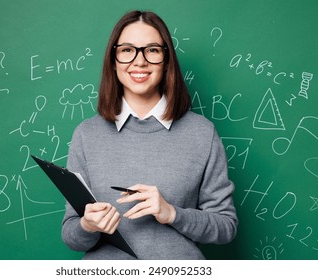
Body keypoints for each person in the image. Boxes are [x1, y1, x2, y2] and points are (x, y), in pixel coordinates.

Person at [61, 10, 238, 260]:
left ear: (166, 60)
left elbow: (226, 227)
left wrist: (172, 213)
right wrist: (87, 226)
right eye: (127, 50)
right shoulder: (87, 134)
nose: (139, 61)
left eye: (152, 50)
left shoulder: (201, 133)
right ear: (113, 60)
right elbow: (70, 233)